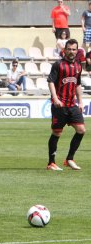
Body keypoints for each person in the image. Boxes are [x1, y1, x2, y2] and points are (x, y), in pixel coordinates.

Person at [46, 39, 86, 171]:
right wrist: (55, 98)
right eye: (69, 49)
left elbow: (77, 85)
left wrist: (80, 101)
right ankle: (51, 163)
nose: (71, 51)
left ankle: (69, 159)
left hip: (72, 105)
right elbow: (51, 81)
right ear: (65, 50)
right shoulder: (58, 64)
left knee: (81, 130)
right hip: (60, 105)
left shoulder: (78, 65)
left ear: (77, 50)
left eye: (74, 49)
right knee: (57, 133)